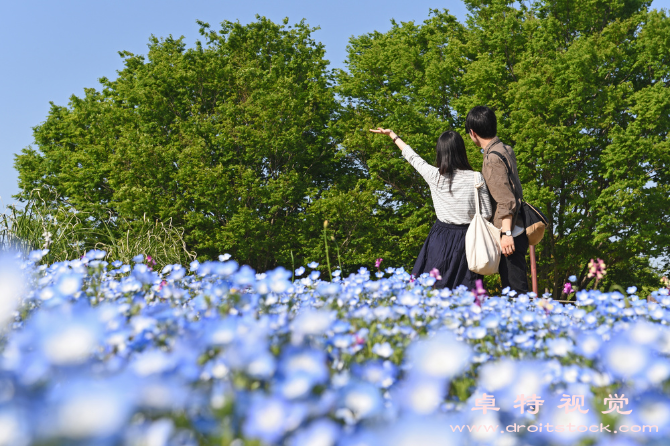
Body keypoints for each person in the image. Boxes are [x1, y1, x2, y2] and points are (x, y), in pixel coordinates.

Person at [370, 127, 492, 289]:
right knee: (465, 293)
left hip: (439, 239)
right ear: (461, 151)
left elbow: (412, 157)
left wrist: (393, 135)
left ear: (440, 152)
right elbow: (487, 213)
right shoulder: (476, 177)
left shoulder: (434, 175)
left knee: (431, 289)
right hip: (468, 241)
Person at [465, 105, 529, 294]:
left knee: (515, 293)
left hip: (510, 232)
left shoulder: (492, 159)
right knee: (517, 291)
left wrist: (506, 234)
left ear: (472, 133)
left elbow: (505, 200)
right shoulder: (505, 148)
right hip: (518, 227)